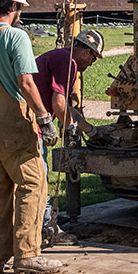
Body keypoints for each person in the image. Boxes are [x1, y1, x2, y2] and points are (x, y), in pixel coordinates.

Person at [0, 0, 62, 274]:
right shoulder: (16, 37)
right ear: (15, 6)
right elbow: (26, 82)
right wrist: (45, 118)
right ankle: (27, 255)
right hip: (12, 128)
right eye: (20, 7)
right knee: (33, 185)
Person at [33, 28, 104, 241]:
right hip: (33, 128)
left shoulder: (59, 56)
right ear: (87, 52)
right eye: (93, 58)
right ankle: (47, 228)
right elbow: (59, 103)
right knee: (40, 179)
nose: (91, 63)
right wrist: (70, 129)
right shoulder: (69, 62)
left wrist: (92, 131)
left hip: (24, 123)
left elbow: (68, 109)